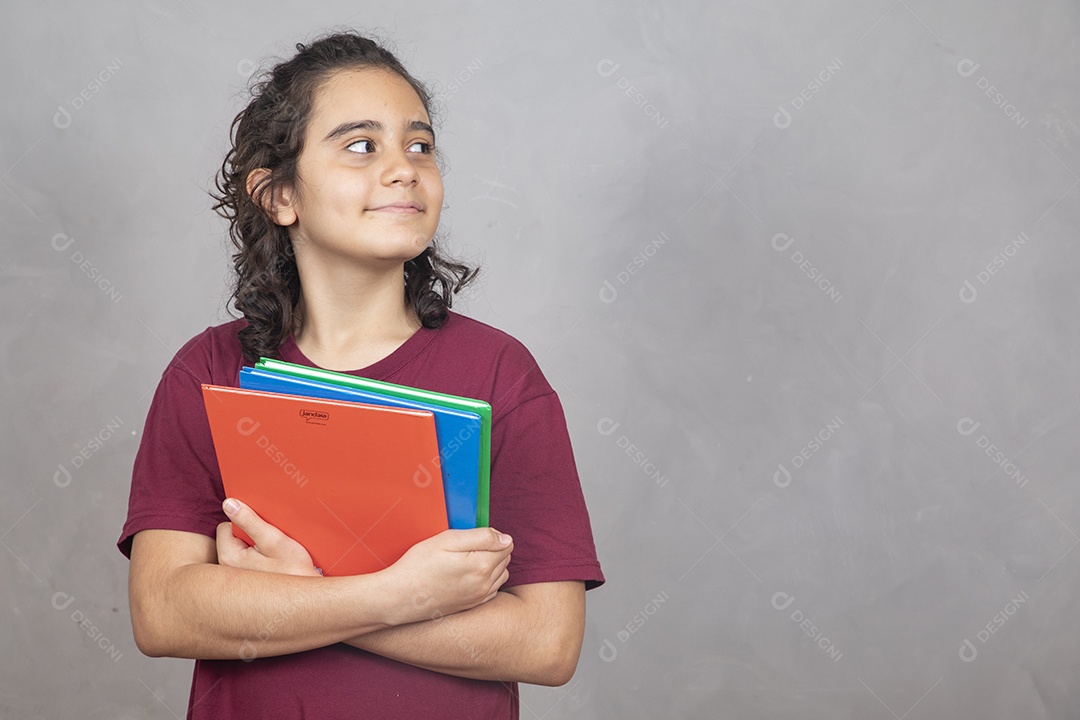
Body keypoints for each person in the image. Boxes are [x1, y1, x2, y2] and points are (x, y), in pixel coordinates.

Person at [117, 31, 604, 719]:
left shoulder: (500, 374)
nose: (404, 168)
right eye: (360, 145)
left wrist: (294, 592)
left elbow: (546, 642)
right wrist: (400, 593)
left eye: (420, 145)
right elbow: (164, 612)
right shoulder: (208, 372)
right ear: (279, 194)